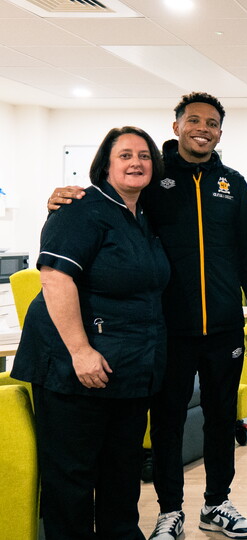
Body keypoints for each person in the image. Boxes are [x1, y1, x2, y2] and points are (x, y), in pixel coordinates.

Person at [47, 92, 247, 540]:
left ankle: (217, 503)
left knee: (221, 417)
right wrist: (61, 197)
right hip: (167, 330)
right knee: (167, 420)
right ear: (177, 126)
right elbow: (109, 203)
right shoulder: (153, 182)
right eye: (194, 120)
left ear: (220, 132)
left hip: (225, 324)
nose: (202, 128)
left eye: (211, 123)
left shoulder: (233, 183)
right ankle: (171, 510)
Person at [13, 127, 168, 540]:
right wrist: (80, 351)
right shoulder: (80, 208)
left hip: (129, 371)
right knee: (72, 481)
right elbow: (55, 279)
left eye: (144, 155)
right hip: (74, 372)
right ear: (105, 164)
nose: (136, 162)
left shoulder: (141, 214)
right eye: (125, 155)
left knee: (121, 474)